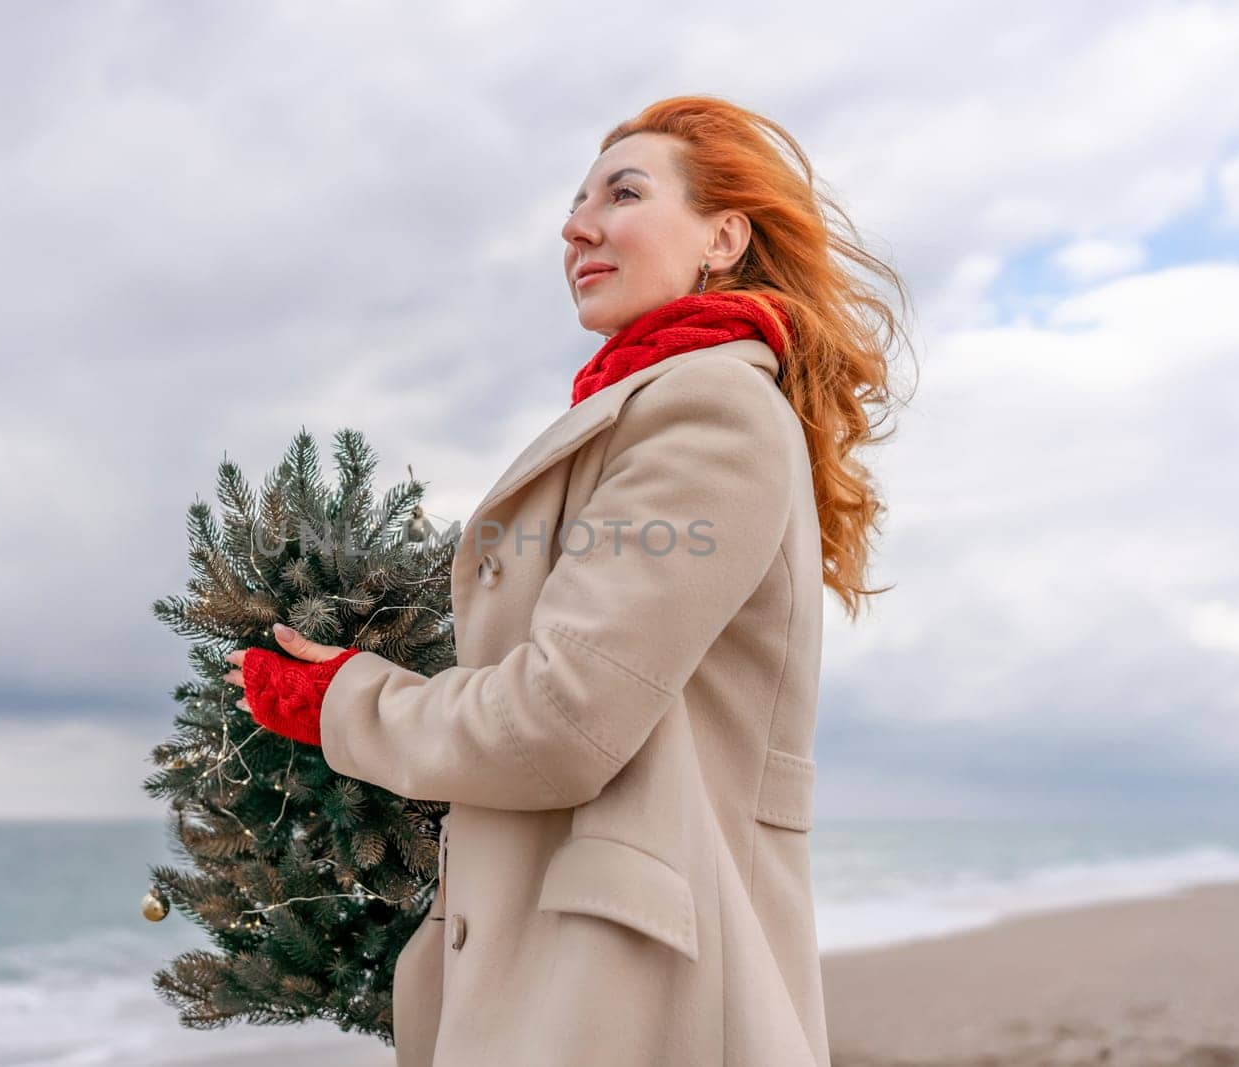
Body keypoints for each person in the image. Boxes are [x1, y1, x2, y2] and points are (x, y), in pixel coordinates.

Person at [226, 93, 910, 1067]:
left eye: (622, 193)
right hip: (582, 979)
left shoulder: (708, 408)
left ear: (723, 235)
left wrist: (346, 699)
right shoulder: (642, 411)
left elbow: (561, 718)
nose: (574, 224)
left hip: (629, 998)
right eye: (576, 199)